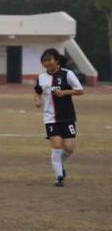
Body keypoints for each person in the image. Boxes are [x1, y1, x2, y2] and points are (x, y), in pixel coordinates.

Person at [33, 48, 84, 187]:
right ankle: (59, 177)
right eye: (44, 61)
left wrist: (65, 92)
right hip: (50, 118)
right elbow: (37, 91)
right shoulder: (41, 77)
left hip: (67, 116)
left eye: (49, 60)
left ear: (56, 60)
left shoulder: (68, 74)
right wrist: (37, 100)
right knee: (56, 146)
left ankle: (59, 164)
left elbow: (80, 90)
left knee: (69, 148)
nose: (47, 63)